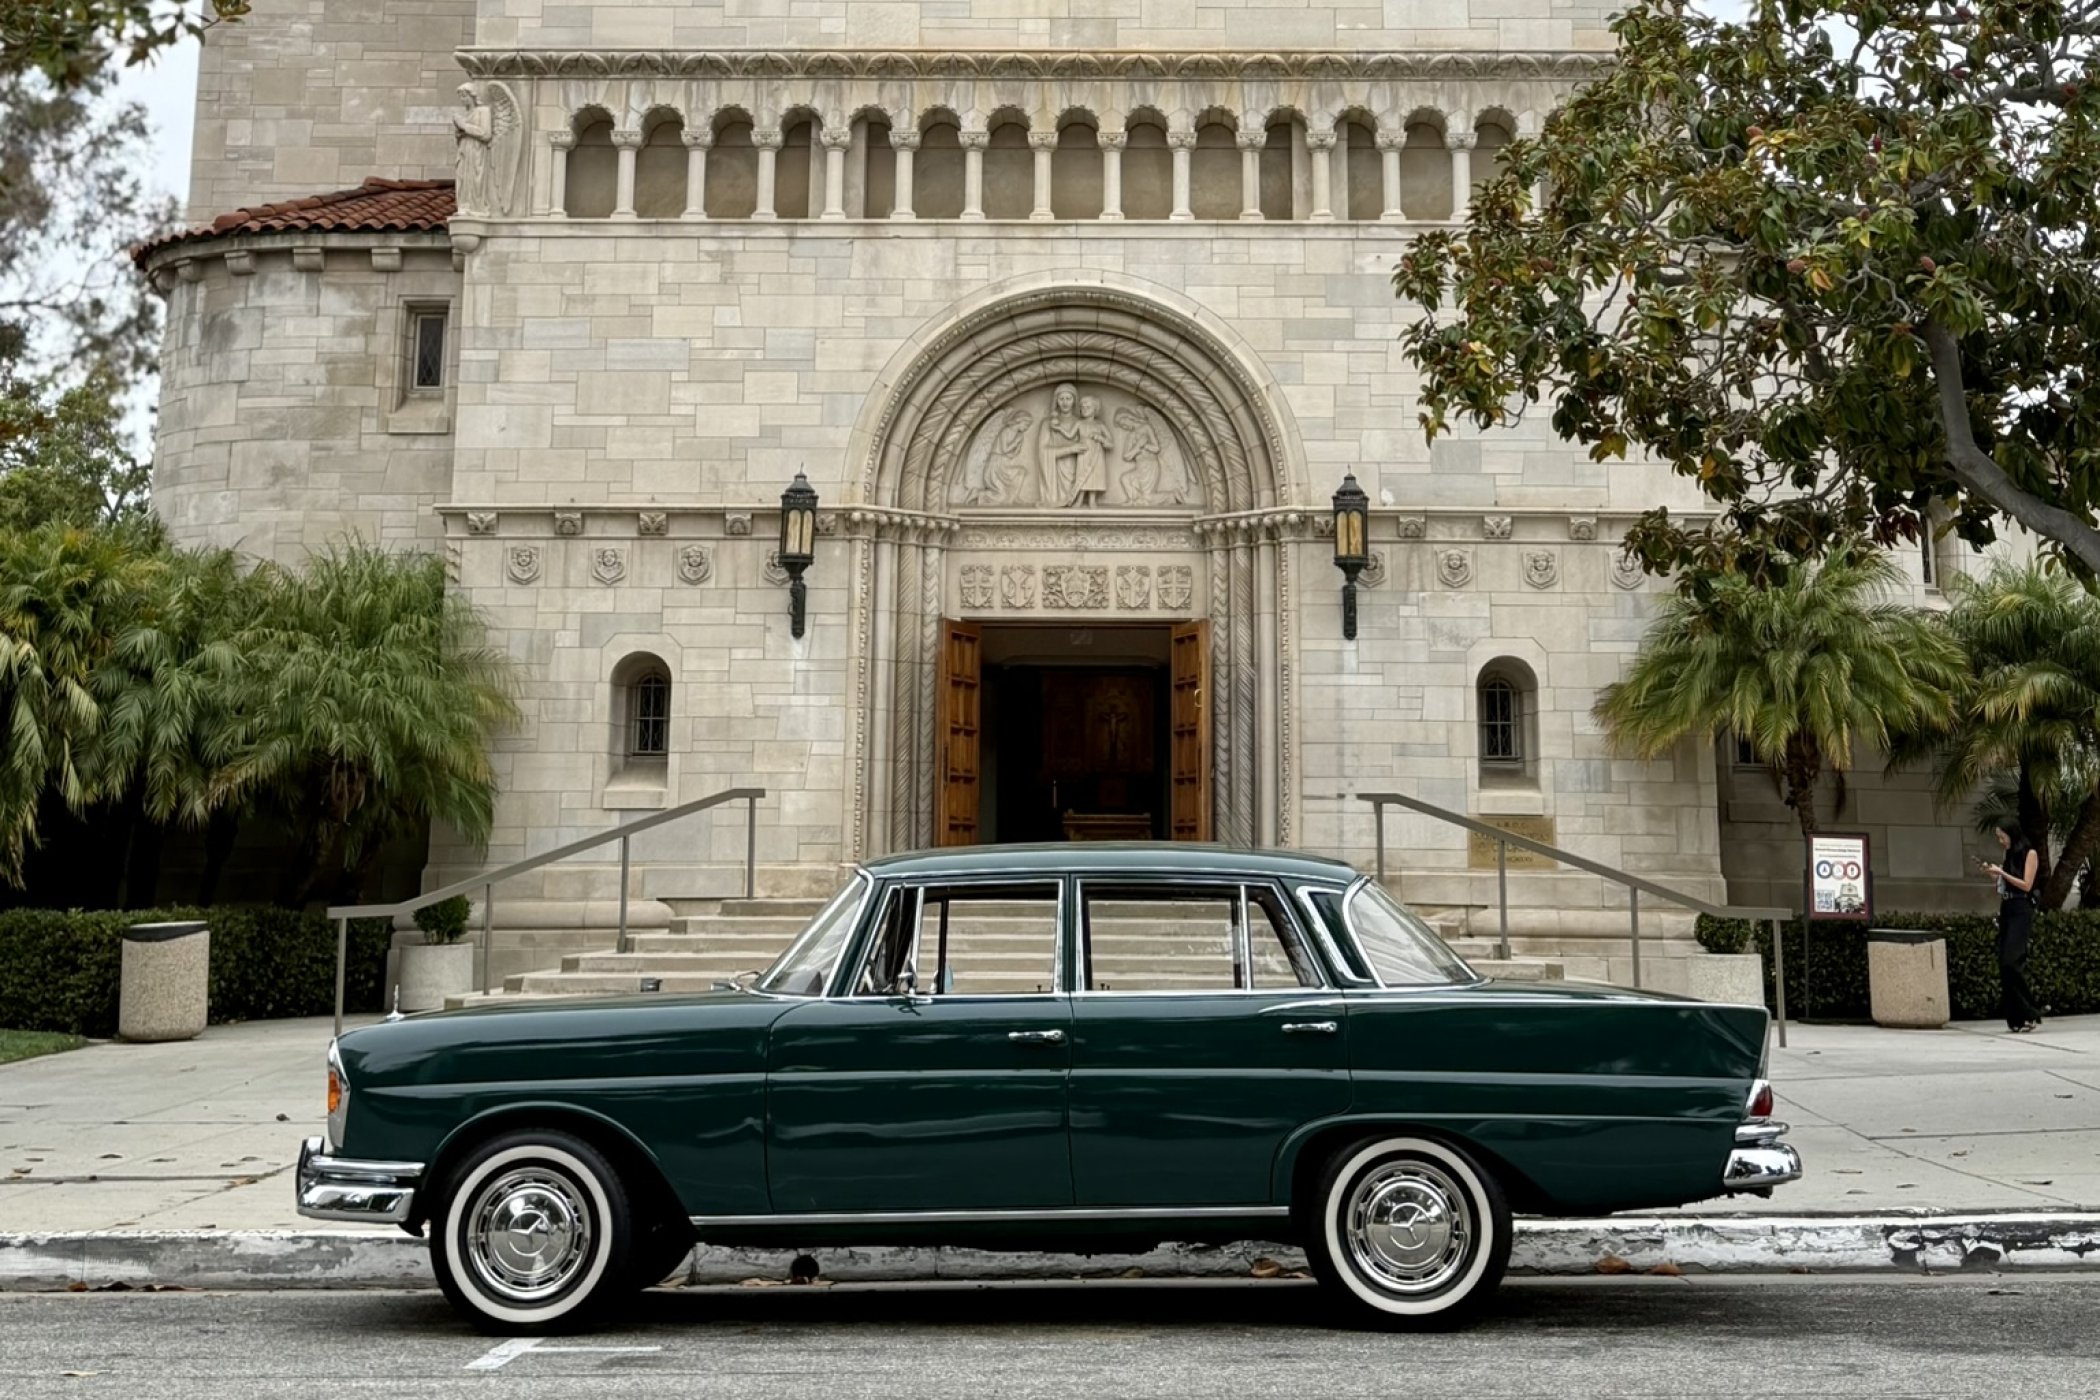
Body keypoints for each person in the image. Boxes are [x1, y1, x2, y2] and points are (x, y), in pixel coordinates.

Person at [1982, 819, 2043, 1033]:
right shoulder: (2009, 855)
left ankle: (2029, 1011)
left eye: (2002, 837)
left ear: (2012, 834)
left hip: (2021, 908)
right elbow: (2005, 885)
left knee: (2012, 961)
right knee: (2004, 964)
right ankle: (2016, 1017)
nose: (2001, 841)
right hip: (2007, 907)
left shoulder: (2030, 854)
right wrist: (1996, 875)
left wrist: (2003, 873)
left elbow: (2026, 884)